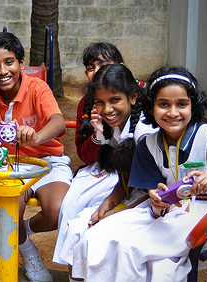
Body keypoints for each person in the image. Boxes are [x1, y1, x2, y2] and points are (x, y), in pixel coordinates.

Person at [70, 65, 207, 281]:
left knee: (130, 249)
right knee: (94, 238)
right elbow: (153, 193)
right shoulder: (148, 144)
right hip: (166, 213)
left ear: (194, 105)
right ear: (151, 108)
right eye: (163, 104)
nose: (173, 112)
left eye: (182, 104)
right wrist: (157, 201)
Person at [0, 31, 73, 282]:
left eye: (9, 62)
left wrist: (36, 136)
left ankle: (17, 236)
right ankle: (26, 251)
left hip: (45, 160)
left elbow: (58, 122)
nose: (2, 71)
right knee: (11, 203)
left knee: (58, 210)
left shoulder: (36, 87)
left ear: (21, 63)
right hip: (4, 163)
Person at [53, 64, 157, 280]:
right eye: (100, 102)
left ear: (133, 97)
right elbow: (125, 178)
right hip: (132, 199)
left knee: (96, 237)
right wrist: (108, 202)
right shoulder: (114, 127)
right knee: (77, 227)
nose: (107, 109)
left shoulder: (144, 133)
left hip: (153, 205)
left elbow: (152, 190)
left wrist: (115, 212)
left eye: (114, 100)